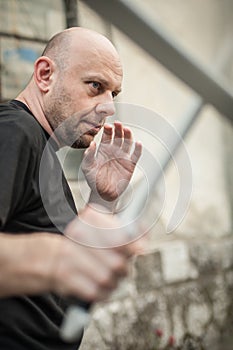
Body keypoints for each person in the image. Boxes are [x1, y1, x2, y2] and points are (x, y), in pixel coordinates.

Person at [0, 27, 143, 349]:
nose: (109, 108)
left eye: (114, 94)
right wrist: (58, 258)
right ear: (46, 74)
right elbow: (61, 258)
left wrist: (102, 200)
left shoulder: (41, 145)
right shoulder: (13, 132)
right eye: (96, 86)